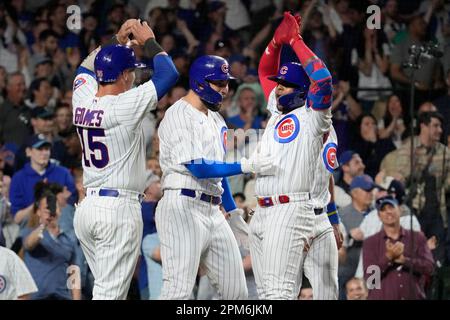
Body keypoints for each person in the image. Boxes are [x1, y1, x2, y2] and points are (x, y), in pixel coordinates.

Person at [72, 19, 179, 300]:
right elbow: (169, 74)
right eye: (131, 71)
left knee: (106, 291)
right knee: (109, 296)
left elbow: (84, 69)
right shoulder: (124, 105)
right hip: (116, 210)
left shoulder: (81, 98)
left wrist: (117, 41)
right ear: (123, 75)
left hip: (87, 208)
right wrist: (150, 41)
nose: (133, 76)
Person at [156, 53, 275, 299]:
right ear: (200, 82)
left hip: (212, 209)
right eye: (219, 83)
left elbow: (218, 171)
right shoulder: (178, 114)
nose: (226, 89)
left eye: (227, 83)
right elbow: (198, 167)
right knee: (178, 292)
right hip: (182, 205)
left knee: (238, 294)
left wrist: (232, 214)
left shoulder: (217, 119)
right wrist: (245, 165)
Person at [249, 11, 333, 299]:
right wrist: (275, 42)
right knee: (266, 296)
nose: (278, 88)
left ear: (300, 92)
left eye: (284, 85)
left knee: (279, 295)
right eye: (279, 84)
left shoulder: (315, 118)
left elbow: (322, 80)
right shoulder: (277, 108)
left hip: (289, 210)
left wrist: (295, 41)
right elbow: (263, 71)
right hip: (261, 211)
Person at [363, 195, 434, 300]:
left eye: (391, 207)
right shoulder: (370, 242)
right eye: (383, 210)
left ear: (399, 210)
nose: (388, 212)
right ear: (379, 216)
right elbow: (370, 279)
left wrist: (404, 260)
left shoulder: (417, 237)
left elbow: (429, 268)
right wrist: (388, 257)